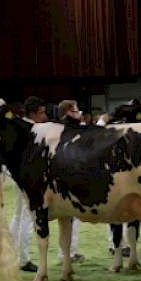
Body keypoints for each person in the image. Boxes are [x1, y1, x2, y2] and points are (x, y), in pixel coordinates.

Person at [10, 96, 47, 272]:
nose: (44, 115)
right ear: (32, 113)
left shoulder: (17, 126)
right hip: (28, 176)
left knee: (18, 215)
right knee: (27, 215)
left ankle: (13, 254)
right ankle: (23, 259)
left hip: (17, 174)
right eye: (41, 112)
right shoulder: (31, 129)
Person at [56, 99, 85, 265]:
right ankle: (66, 254)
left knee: (71, 220)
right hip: (68, 176)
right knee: (68, 219)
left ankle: (69, 253)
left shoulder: (61, 128)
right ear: (67, 112)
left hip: (70, 175)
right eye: (75, 111)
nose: (79, 113)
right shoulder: (67, 129)